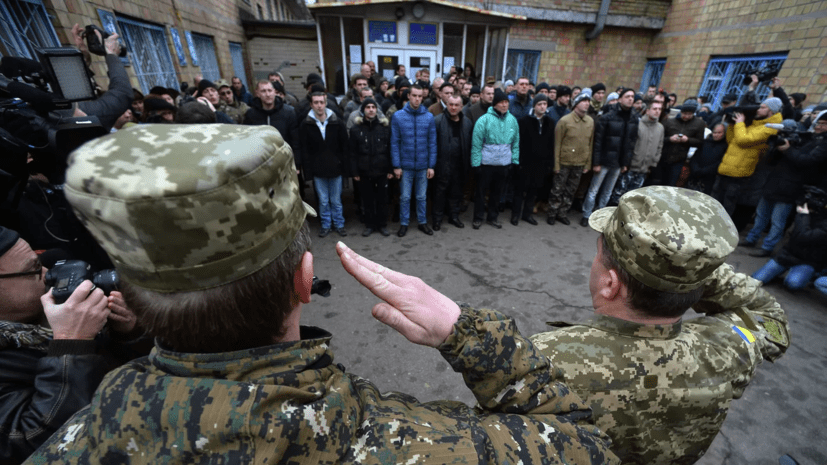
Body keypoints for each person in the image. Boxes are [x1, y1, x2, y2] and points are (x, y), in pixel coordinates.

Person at [25, 124, 619, 465]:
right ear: (305, 279)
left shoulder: (70, 445)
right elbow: (590, 447)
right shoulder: (419, 445)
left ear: (123, 284)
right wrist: (463, 331)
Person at [531, 186, 790, 464]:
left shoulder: (544, 361)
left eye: (598, 257)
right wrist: (689, 271)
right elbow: (771, 318)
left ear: (610, 284)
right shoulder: (728, 350)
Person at [0, 227, 139, 463]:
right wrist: (71, 344)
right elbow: (25, 443)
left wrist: (127, 333)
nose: (48, 274)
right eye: (34, 269)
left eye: (41, 262)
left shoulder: (41, 312)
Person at [741, 111, 827, 257]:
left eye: (823, 124)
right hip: (774, 182)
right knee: (761, 215)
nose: (818, 126)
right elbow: (772, 160)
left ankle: (767, 247)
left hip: (791, 187)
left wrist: (789, 149)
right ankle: (751, 239)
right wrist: (778, 146)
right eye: (818, 123)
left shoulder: (821, 144)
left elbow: (806, 161)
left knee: (777, 221)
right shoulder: (806, 137)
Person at [712, 97, 784, 216]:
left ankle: (721, 230)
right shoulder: (754, 124)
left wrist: (740, 123)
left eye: (763, 107)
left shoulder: (771, 127)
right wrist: (732, 124)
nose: (759, 109)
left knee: (727, 206)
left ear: (771, 111)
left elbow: (743, 140)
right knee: (714, 201)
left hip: (738, 174)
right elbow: (732, 141)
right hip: (726, 169)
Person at [580, 88, 639, 227]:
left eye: (632, 96)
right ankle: (586, 214)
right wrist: (596, 162)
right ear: (620, 99)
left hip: (618, 163)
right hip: (604, 160)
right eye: (627, 96)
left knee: (607, 192)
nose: (630, 99)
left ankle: (600, 216)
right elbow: (598, 141)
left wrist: (625, 163)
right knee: (594, 190)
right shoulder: (608, 116)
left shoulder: (633, 118)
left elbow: (630, 143)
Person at [752, 186, 827, 290]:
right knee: (756, 278)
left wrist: (803, 215)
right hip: (787, 255)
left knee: (792, 284)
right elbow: (789, 236)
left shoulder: (809, 217)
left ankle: (796, 274)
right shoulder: (805, 213)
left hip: (808, 261)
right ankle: (778, 270)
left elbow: (803, 236)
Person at [299, 92, 350, 238]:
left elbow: (344, 146)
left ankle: (339, 224)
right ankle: (326, 224)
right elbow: (305, 149)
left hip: (335, 168)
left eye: (321, 102)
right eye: (316, 102)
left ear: (326, 103)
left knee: (336, 200)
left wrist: (343, 166)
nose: (319, 105)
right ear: (311, 104)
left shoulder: (337, 121)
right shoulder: (306, 124)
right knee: (323, 201)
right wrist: (308, 171)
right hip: (318, 170)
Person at [391, 85, 437, 237]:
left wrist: (431, 165)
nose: (417, 99)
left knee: (421, 197)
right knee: (404, 197)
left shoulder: (429, 117)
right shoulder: (398, 116)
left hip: (423, 165)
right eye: (414, 95)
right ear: (409, 96)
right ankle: (404, 223)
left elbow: (432, 143)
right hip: (406, 165)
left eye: (420, 96)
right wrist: (396, 165)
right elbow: (395, 142)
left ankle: (422, 222)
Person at [471, 89, 519, 229]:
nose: (504, 105)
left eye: (506, 102)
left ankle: (493, 217)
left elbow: (516, 142)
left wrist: (514, 161)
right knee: (480, 192)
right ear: (495, 104)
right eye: (501, 102)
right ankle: (478, 218)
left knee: (497, 193)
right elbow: (476, 144)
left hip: (503, 164)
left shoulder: (512, 120)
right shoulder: (484, 120)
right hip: (486, 164)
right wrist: (476, 163)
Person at [548, 89, 594, 226]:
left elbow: (590, 144)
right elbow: (557, 144)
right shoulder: (565, 121)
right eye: (584, 101)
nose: (587, 104)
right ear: (576, 104)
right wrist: (556, 165)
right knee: (557, 189)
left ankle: (562, 213)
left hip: (579, 163)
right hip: (564, 162)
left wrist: (587, 164)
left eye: (588, 102)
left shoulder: (590, 122)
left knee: (570, 190)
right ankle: (552, 213)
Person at [349, 98, 393, 237]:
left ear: (377, 109)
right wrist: (354, 171)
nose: (371, 109)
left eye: (373, 107)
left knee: (382, 199)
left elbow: (391, 149)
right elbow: (352, 152)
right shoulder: (356, 129)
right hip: (364, 170)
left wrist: (391, 169)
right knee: (367, 199)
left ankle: (382, 225)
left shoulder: (385, 128)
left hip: (382, 170)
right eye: (368, 107)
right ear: (363, 110)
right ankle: (369, 225)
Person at [609, 100, 664, 204]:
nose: (657, 111)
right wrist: (626, 162)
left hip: (644, 169)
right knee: (619, 195)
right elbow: (628, 144)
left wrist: (653, 162)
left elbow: (659, 146)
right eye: (655, 109)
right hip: (631, 166)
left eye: (660, 109)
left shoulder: (660, 128)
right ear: (648, 111)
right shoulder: (638, 124)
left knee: (633, 198)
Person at [432, 95, 472, 230]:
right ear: (446, 105)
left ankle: (454, 217)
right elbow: (432, 145)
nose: (453, 107)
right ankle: (437, 219)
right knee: (440, 193)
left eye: (456, 105)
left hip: (459, 164)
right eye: (451, 104)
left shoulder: (467, 123)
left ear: (461, 107)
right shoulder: (437, 121)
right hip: (442, 164)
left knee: (456, 192)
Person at [512, 94, 553, 226]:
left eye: (544, 104)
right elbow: (518, 143)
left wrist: (549, 163)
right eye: (539, 104)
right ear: (534, 106)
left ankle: (527, 214)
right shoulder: (524, 121)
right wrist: (518, 161)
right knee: (519, 190)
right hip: (525, 162)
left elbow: (551, 144)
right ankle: (515, 215)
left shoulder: (550, 123)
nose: (542, 107)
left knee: (533, 191)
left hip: (540, 164)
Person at [654, 98, 707, 186]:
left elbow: (700, 142)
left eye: (689, 114)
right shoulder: (669, 121)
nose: (686, 116)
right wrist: (670, 139)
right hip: (663, 157)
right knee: (657, 182)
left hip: (679, 160)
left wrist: (688, 140)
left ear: (693, 113)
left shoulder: (699, 124)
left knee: (671, 185)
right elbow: (658, 139)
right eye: (684, 113)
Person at [244, 80, 300, 155]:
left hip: (284, 157)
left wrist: (297, 162)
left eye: (270, 91)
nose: (267, 94)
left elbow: (295, 140)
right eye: (263, 91)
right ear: (258, 93)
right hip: (260, 158)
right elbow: (248, 139)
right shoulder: (251, 114)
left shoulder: (288, 113)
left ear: (274, 92)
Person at [686, 123, 728, 195]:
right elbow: (695, 156)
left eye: (719, 132)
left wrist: (704, 171)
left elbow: (720, 162)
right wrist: (695, 168)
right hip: (695, 175)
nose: (716, 135)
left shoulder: (725, 146)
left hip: (709, 178)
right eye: (715, 132)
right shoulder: (705, 142)